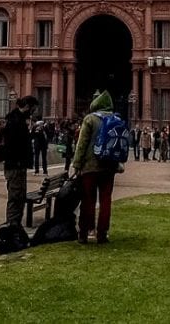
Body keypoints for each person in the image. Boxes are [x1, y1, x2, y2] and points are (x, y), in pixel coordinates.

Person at [70, 90, 122, 244]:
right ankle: (102, 234)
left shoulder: (90, 119)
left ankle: (84, 233)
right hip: (109, 166)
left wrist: (76, 164)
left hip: (90, 167)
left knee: (88, 200)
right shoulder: (116, 119)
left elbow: (82, 144)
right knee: (106, 200)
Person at [2, 95, 38, 227]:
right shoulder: (15, 121)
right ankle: (12, 225)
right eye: (33, 109)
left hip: (17, 164)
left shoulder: (17, 119)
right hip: (15, 165)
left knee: (19, 196)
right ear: (28, 107)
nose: (33, 112)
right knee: (16, 196)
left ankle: (15, 224)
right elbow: (14, 144)